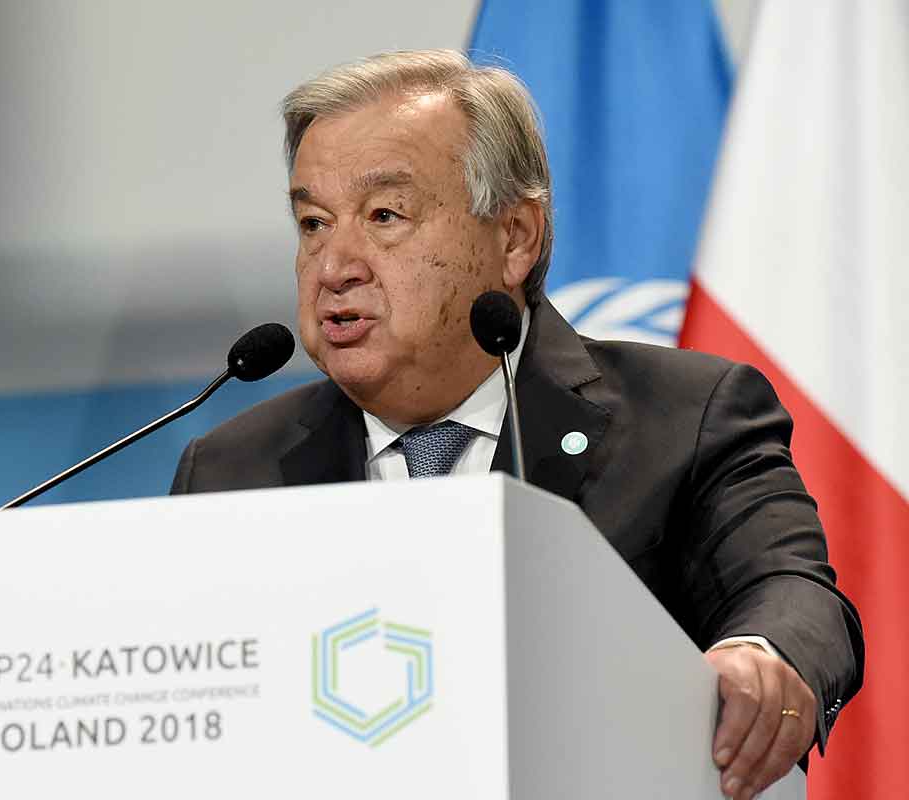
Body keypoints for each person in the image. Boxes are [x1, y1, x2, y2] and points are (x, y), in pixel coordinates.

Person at [170, 50, 862, 798]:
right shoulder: (231, 472)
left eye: (384, 216)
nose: (334, 266)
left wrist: (764, 658)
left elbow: (793, 592)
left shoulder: (687, 417)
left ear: (514, 239)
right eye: (313, 223)